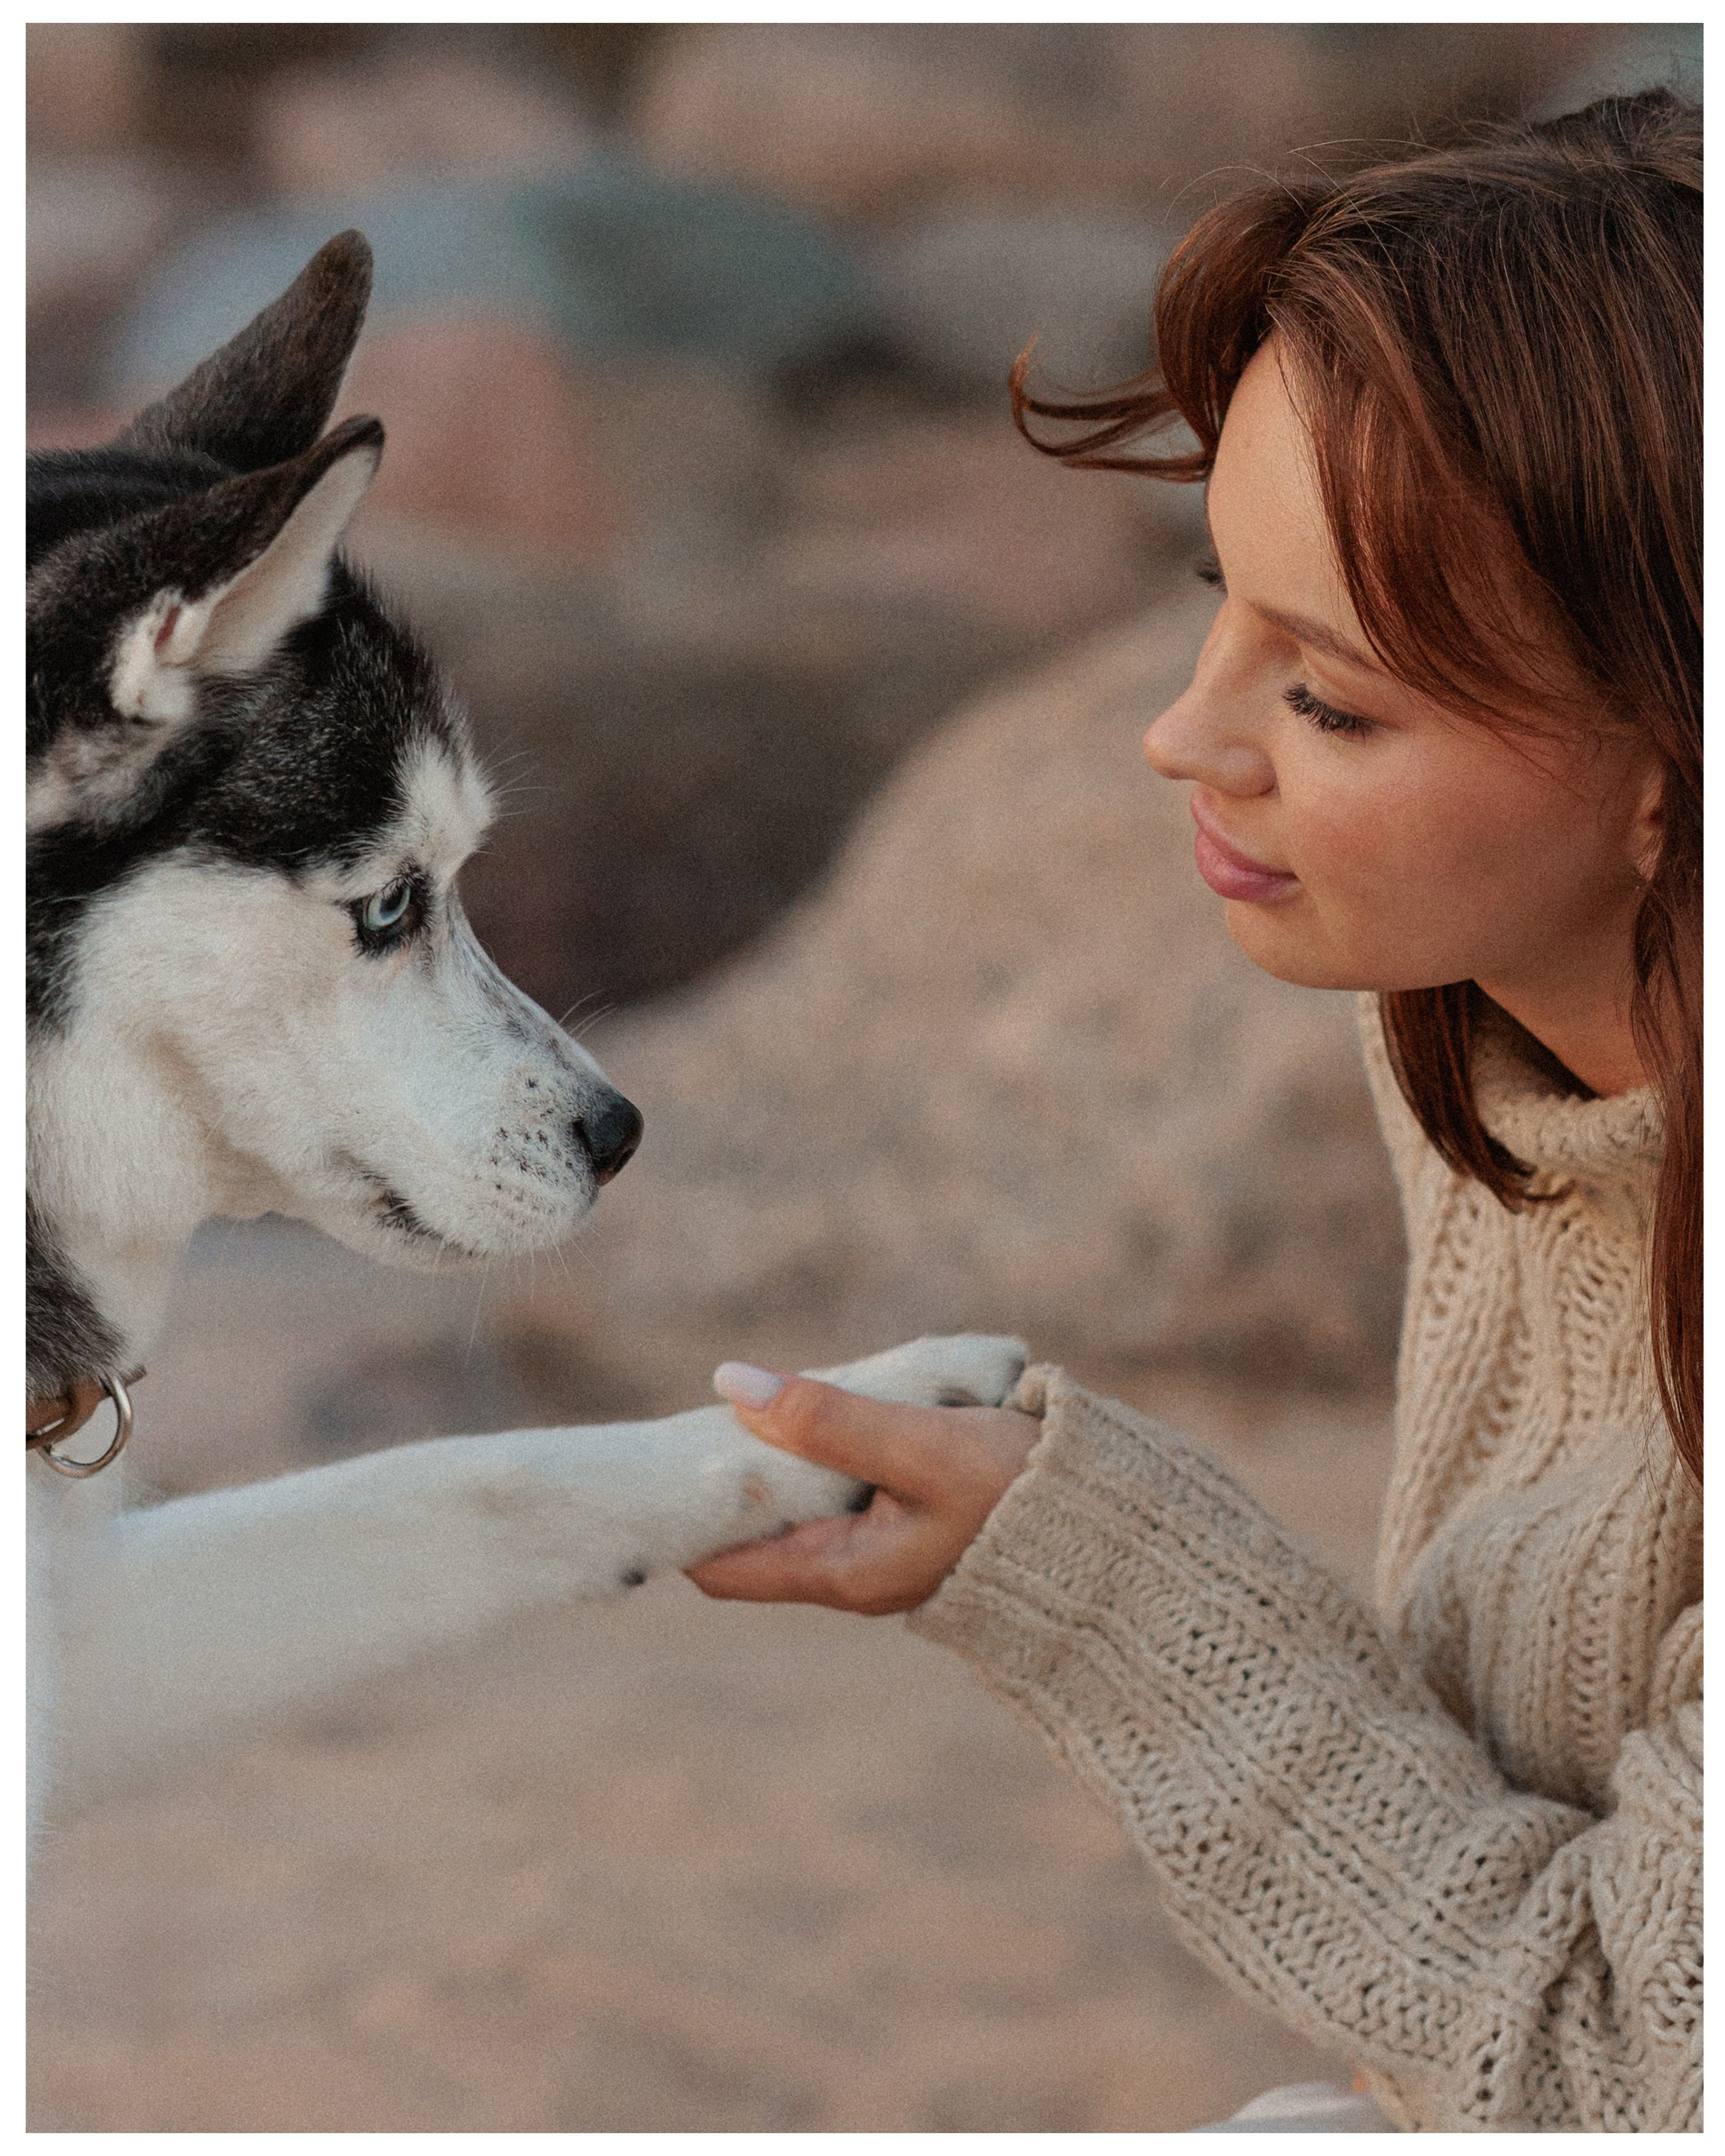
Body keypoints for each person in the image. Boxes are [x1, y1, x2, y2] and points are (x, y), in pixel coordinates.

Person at [684, 91, 1701, 2134]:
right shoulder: (1490, 1049)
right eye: (1210, 601)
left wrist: (1096, 1575)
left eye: (1326, 699)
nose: (1178, 736)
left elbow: (1620, 2074)